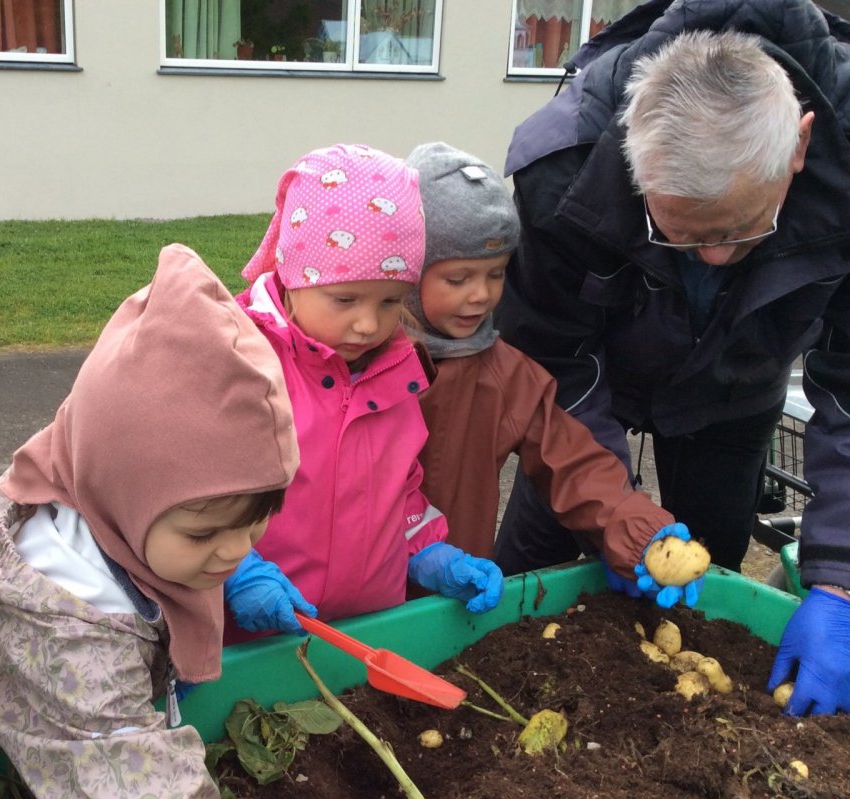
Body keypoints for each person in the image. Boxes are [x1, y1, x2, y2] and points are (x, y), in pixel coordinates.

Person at [0, 243, 307, 799]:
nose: (234, 548)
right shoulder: (68, 629)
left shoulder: (91, 482)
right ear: (121, 491)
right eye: (205, 533)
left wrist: (234, 567)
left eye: (255, 521)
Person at [492, 2, 850, 715]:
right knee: (528, 588)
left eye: (742, 231)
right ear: (632, 154)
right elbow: (551, 359)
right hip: (595, 383)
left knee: (703, 579)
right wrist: (610, 508)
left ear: (800, 145)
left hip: (736, 396)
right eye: (680, 232)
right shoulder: (565, 166)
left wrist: (841, 576)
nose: (714, 257)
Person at [222, 143, 504, 645]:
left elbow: (399, 493)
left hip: (366, 642)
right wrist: (236, 568)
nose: (368, 324)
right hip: (253, 639)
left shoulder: (396, 371)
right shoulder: (243, 364)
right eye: (345, 299)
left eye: (391, 301)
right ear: (292, 276)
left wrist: (432, 553)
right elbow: (194, 492)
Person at [404, 141, 701, 606]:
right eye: (459, 279)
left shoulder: (503, 373)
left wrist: (636, 529)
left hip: (447, 601)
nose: (481, 295)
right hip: (340, 604)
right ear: (405, 269)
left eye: (497, 274)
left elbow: (573, 459)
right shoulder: (355, 358)